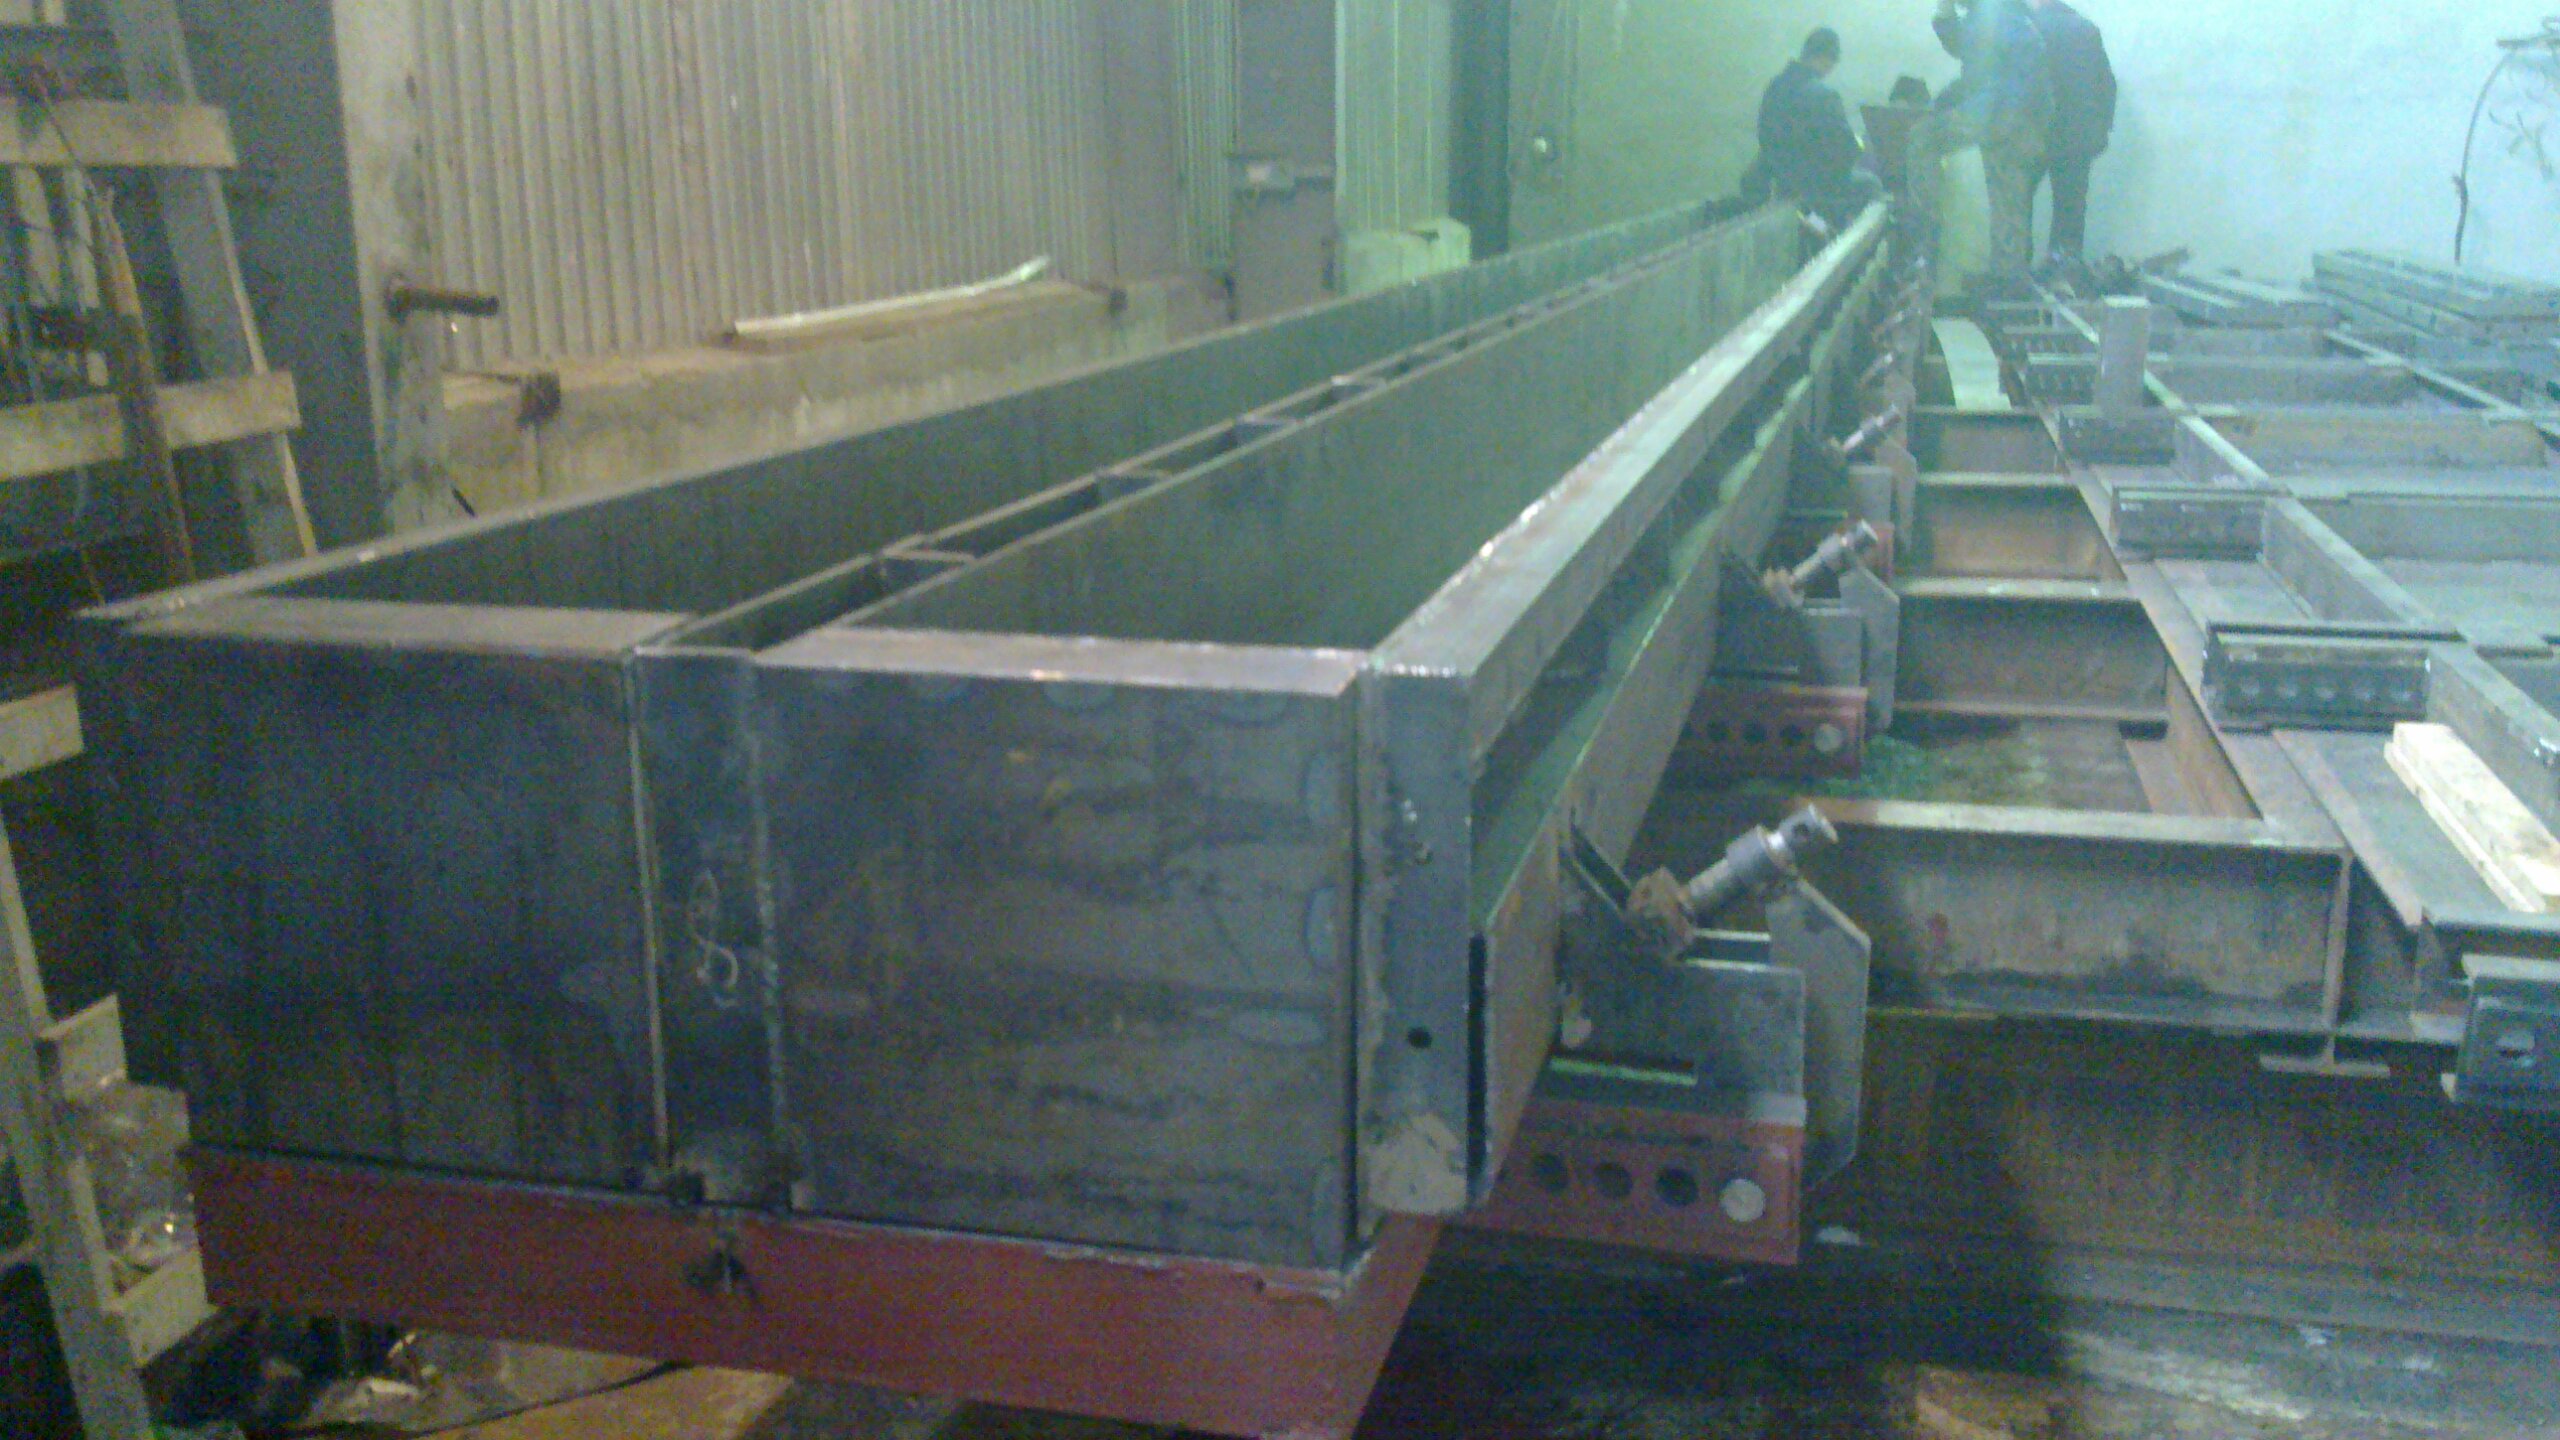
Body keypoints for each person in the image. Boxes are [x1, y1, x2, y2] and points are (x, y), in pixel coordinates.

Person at [1907, 0, 2055, 286]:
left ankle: (1927, 237)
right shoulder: (2007, 13)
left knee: (1922, 138)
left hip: (2002, 112)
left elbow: (1968, 49)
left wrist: (1945, 15)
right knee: (2007, 197)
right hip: (2027, 118)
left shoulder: (1991, 11)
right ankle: (2008, 276)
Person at [1754, 28, 1884, 233]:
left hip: (1782, 183)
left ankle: (1821, 229)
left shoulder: (1775, 87)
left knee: (1813, 206)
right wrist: (1858, 146)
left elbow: (1765, 136)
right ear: (1825, 59)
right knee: (1871, 184)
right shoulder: (1823, 95)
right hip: (1817, 188)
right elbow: (1845, 149)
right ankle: (1847, 241)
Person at [2026, 0, 2116, 265]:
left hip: (2036, 133)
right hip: (2078, 137)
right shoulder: (2086, 29)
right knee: (2070, 210)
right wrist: (2101, 129)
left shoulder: (2030, 27)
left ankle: (2016, 273)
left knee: (2016, 206)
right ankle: (2062, 270)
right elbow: (2106, 84)